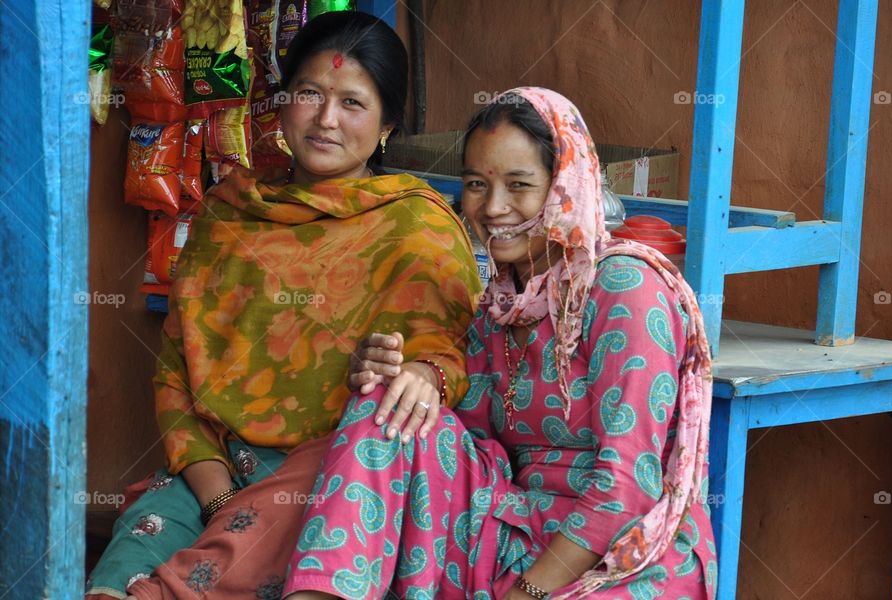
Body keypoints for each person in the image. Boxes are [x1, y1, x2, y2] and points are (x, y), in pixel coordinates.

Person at [85, 11, 481, 600]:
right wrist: (217, 493)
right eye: (309, 94)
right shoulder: (227, 214)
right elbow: (175, 374)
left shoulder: (417, 228)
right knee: (119, 576)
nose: (326, 120)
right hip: (208, 468)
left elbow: (442, 368)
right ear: (281, 103)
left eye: (352, 103)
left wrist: (422, 371)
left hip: (333, 478)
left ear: (388, 126)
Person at [283, 87, 717, 600]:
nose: (493, 208)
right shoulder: (500, 304)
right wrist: (418, 375)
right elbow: (462, 440)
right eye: (475, 184)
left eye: (519, 185)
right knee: (390, 403)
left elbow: (627, 490)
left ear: (563, 186)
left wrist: (527, 594)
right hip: (514, 530)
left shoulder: (623, 288)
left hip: (622, 556)